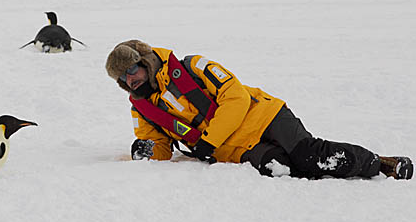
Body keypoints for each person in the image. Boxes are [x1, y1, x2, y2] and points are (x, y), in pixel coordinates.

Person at [105, 40, 412, 180]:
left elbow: (235, 98)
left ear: (143, 61)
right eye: (122, 78)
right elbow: (159, 145)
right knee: (280, 168)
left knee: (309, 155)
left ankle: (379, 164)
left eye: (131, 69)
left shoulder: (192, 66)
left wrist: (208, 142)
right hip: (236, 149)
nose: (129, 79)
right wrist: (145, 149)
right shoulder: (143, 108)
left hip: (263, 117)